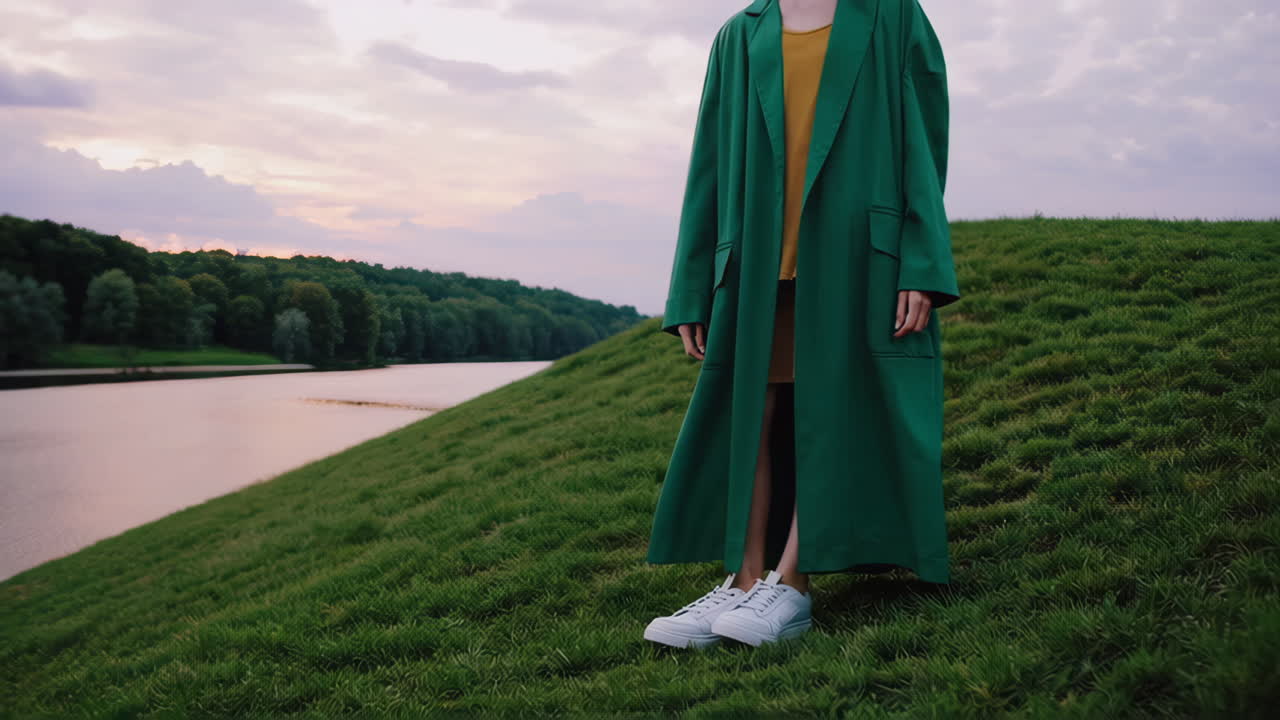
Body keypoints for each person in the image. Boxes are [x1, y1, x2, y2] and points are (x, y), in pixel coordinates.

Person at [644, 0, 961, 649]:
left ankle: (792, 586)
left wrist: (923, 260)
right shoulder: (740, 33)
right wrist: (691, 287)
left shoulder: (892, 16)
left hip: (858, 254)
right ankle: (743, 579)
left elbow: (924, 140)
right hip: (756, 256)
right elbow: (708, 159)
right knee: (753, 414)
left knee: (831, 408)